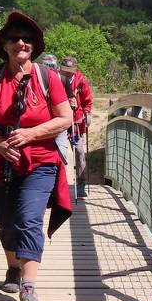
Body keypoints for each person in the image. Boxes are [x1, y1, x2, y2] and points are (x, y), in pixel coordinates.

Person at [0, 12, 74, 301]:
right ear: (4, 45)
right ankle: (13, 266)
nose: (20, 43)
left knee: (28, 218)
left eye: (26, 39)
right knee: (7, 222)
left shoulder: (48, 78)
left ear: (34, 46)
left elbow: (65, 118)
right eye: (13, 38)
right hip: (0, 161)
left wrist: (30, 135)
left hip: (40, 161)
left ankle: (28, 286)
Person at [58, 56, 94, 199]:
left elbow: (87, 100)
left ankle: (80, 184)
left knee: (79, 152)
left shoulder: (81, 80)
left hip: (76, 124)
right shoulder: (55, 79)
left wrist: (87, 113)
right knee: (60, 153)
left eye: (70, 71)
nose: (68, 73)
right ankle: (58, 186)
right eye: (65, 70)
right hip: (59, 123)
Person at [38, 53, 74, 169]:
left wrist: (72, 102)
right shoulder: (35, 79)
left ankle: (59, 177)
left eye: (51, 67)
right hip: (40, 122)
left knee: (61, 152)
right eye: (46, 67)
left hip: (58, 122)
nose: (49, 70)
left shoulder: (63, 79)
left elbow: (70, 96)